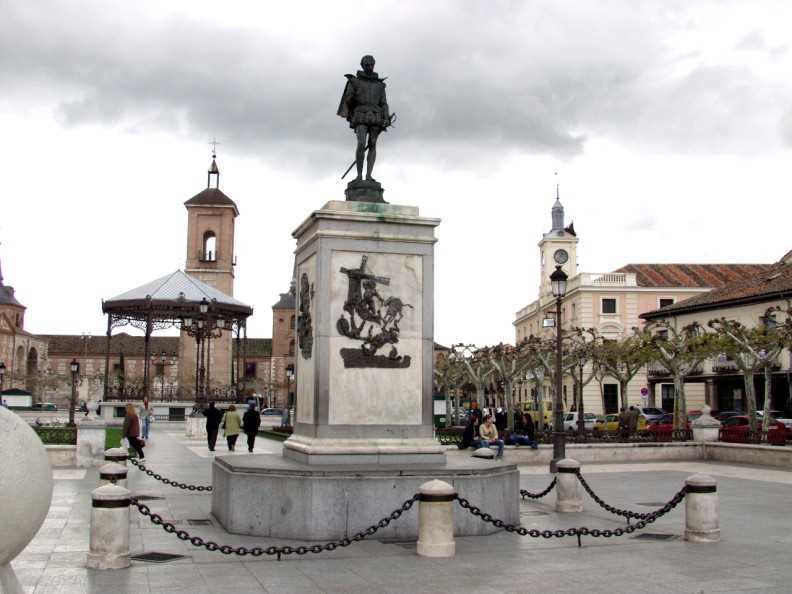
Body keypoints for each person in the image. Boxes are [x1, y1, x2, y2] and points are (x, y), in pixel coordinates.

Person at [337, 55, 392, 182]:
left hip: (375, 116)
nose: (370, 67)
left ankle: (368, 175)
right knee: (361, 144)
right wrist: (351, 97)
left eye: (372, 64)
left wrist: (386, 116)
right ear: (363, 65)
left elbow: (383, 103)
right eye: (367, 64)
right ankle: (359, 175)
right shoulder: (354, 81)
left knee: (372, 144)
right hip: (360, 115)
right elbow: (349, 100)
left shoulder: (380, 85)